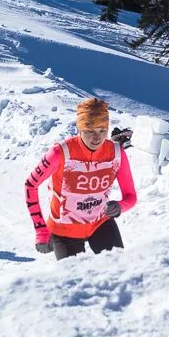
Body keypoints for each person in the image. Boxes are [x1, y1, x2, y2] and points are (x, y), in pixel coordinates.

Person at [24, 98, 137, 259]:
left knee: (119, 276)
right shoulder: (60, 153)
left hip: (100, 223)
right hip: (65, 230)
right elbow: (30, 185)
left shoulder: (117, 153)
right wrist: (41, 231)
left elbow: (130, 197)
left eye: (102, 130)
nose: (97, 138)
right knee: (75, 283)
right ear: (80, 128)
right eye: (90, 130)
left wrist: (120, 206)